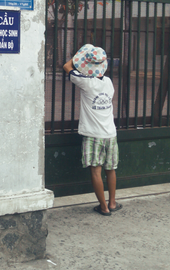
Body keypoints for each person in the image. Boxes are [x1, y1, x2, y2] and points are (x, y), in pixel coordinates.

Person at [63, 44, 120, 216]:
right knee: (111, 169)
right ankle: (112, 203)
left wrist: (83, 55)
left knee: (96, 171)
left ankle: (102, 207)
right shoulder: (109, 83)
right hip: (110, 133)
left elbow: (67, 66)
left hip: (93, 135)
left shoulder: (86, 83)